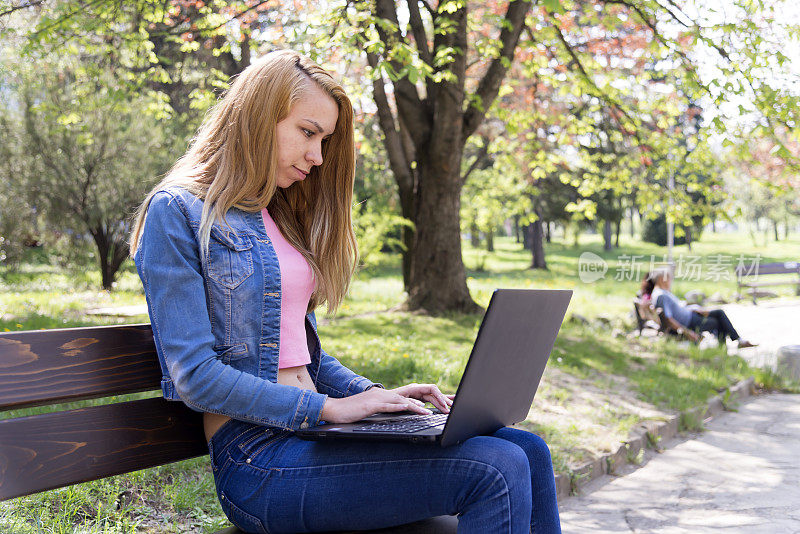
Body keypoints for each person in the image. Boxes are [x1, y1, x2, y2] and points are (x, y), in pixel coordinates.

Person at [129, 50, 561, 533]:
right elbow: (196, 377)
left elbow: (303, 356)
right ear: (257, 117)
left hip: (316, 437)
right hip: (256, 462)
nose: (317, 156)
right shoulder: (178, 212)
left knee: (528, 450)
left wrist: (375, 397)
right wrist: (329, 409)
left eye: (324, 140)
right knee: (494, 469)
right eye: (308, 133)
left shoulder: (277, 215)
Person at [647, 269, 756, 348]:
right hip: (690, 322)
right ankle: (733, 343)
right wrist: (687, 332)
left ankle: (733, 343)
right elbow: (668, 319)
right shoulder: (661, 295)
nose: (670, 281)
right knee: (718, 320)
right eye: (669, 278)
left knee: (718, 313)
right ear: (662, 280)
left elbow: (676, 308)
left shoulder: (662, 293)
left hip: (691, 315)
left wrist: (692, 308)